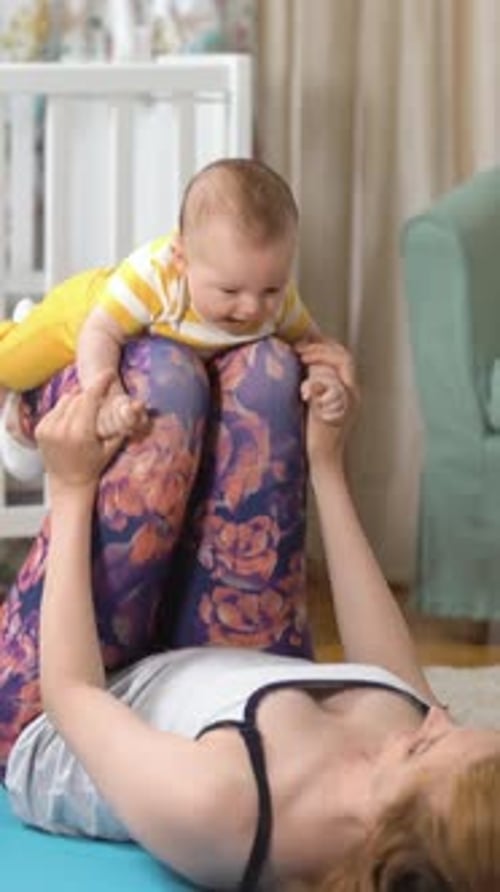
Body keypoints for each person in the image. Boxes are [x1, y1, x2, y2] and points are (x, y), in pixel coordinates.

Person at [2, 339, 500, 892]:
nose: (436, 717)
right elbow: (384, 668)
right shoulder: (410, 768)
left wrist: (69, 487)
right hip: (199, 655)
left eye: (429, 744)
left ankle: (26, 414)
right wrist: (328, 465)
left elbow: (71, 696)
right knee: (270, 376)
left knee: (162, 388)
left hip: (53, 706)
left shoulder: (225, 805)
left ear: (399, 839)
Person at [0, 157, 344, 479]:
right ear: (181, 259)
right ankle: (21, 341)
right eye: (230, 292)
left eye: (271, 289)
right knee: (12, 362)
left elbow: (313, 345)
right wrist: (109, 393)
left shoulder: (277, 299)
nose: (254, 308)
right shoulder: (155, 278)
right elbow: (101, 331)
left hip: (155, 338)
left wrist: (325, 381)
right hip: (86, 312)